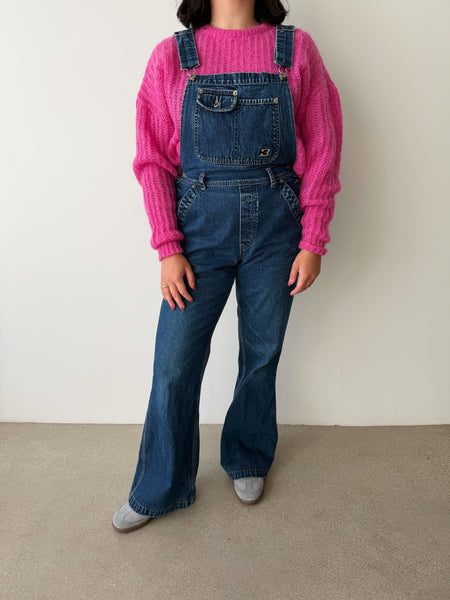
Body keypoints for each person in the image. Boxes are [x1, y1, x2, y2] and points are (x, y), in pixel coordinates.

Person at [112, 0, 343, 533]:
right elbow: (153, 158)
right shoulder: (172, 56)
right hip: (198, 235)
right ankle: (161, 486)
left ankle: (248, 455)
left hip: (277, 228)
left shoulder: (296, 50)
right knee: (174, 363)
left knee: (261, 354)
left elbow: (324, 145)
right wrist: (167, 246)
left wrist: (314, 237)